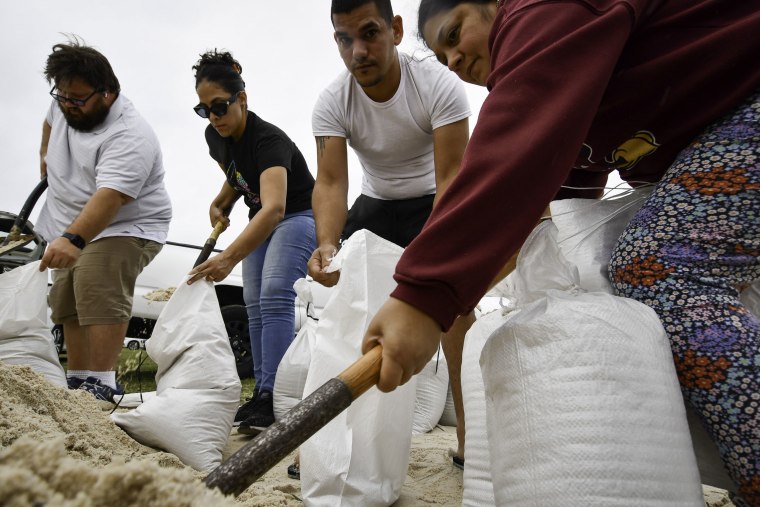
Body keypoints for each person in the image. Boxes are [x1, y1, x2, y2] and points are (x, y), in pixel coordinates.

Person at [361, 0, 760, 504]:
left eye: (455, 34)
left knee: (657, 266)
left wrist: (424, 294)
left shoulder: (546, 10)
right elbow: (543, 210)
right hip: (718, 142)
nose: (454, 61)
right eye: (442, 59)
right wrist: (457, 298)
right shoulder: (572, 86)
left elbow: (512, 150)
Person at [306, 0, 473, 474]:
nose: (358, 50)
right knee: (340, 305)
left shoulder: (438, 84)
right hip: (375, 203)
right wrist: (326, 245)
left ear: (396, 31)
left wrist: (433, 270)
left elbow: (453, 178)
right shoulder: (332, 101)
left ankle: (467, 439)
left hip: (433, 200)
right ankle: (320, 442)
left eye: (370, 33)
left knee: (456, 311)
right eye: (344, 39)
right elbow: (332, 183)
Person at [37, 38, 172, 403]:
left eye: (78, 99)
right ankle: (79, 383)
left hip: (125, 225)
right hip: (73, 222)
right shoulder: (63, 103)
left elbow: (110, 198)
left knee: (97, 282)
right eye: (62, 96)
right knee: (67, 299)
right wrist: (46, 161)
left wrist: (73, 240)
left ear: (108, 93)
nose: (68, 105)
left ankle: (103, 383)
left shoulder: (129, 134)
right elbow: (50, 124)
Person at [188, 50, 316, 435]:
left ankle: (275, 395)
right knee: (253, 303)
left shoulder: (268, 140)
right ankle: (263, 393)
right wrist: (221, 201)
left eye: (220, 106)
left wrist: (227, 257)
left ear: (242, 99)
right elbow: (239, 173)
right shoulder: (216, 137)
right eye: (204, 110)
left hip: (297, 215)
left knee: (276, 293)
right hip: (261, 217)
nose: (214, 116)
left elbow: (275, 207)